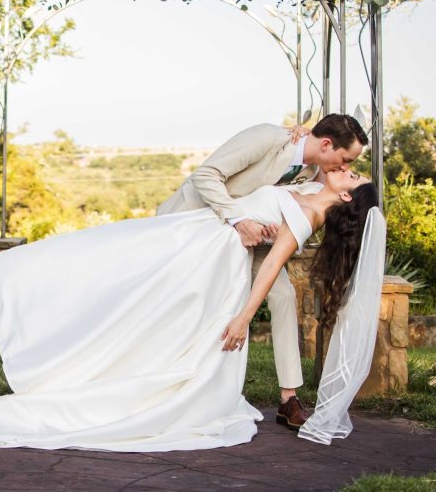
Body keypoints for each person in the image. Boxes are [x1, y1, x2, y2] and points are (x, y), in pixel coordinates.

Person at [0, 167, 382, 452]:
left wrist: (243, 317)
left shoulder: (308, 217)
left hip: (212, 261)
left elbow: (269, 271)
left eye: (353, 177)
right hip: (195, 234)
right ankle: (39, 306)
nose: (347, 169)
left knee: (148, 308)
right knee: (110, 254)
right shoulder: (307, 187)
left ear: (346, 198)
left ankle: (104, 377)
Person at [157, 114, 368, 430]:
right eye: (346, 159)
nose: (345, 167)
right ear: (326, 144)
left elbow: (295, 207)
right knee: (184, 302)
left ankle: (288, 398)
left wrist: (264, 225)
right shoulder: (268, 138)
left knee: (284, 295)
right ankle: (176, 375)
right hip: (199, 219)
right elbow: (206, 175)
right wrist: (241, 220)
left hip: (252, 239)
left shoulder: (313, 171)